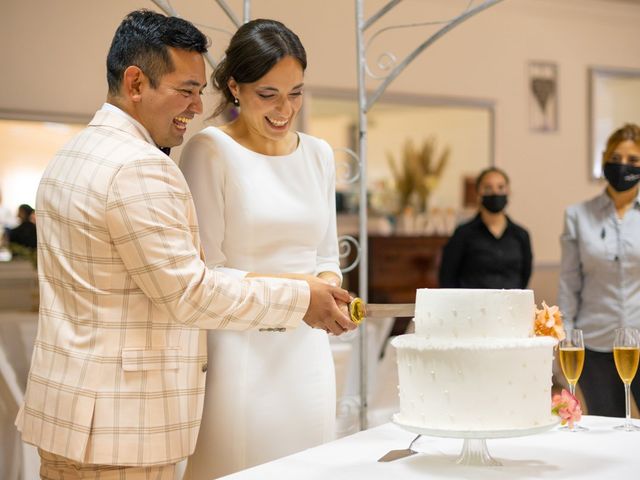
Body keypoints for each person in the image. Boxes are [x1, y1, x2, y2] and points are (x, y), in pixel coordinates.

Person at [15, 10, 354, 478]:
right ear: (136, 83)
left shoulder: (72, 154)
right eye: (187, 90)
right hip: (123, 420)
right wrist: (303, 296)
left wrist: (322, 287)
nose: (197, 107)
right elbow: (190, 292)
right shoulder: (142, 166)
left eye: (199, 91)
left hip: (78, 413)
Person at [179, 19, 344, 479]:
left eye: (296, 93)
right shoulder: (209, 151)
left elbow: (327, 256)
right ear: (235, 86)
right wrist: (303, 292)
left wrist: (328, 288)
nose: (284, 109)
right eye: (267, 94)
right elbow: (206, 273)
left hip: (306, 353)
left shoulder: (318, 154)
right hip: (240, 352)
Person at [558, 123, 640, 416]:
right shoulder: (578, 216)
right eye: (616, 158)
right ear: (605, 159)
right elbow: (568, 283)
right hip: (595, 343)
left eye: (633, 160)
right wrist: (565, 336)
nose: (624, 166)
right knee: (609, 432)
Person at [439, 167, 532, 289]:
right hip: (472, 305)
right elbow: (447, 277)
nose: (495, 193)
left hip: (510, 305)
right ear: (478, 194)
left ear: (508, 192)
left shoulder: (521, 235)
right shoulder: (463, 234)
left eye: (500, 187)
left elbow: (525, 276)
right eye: (488, 188)